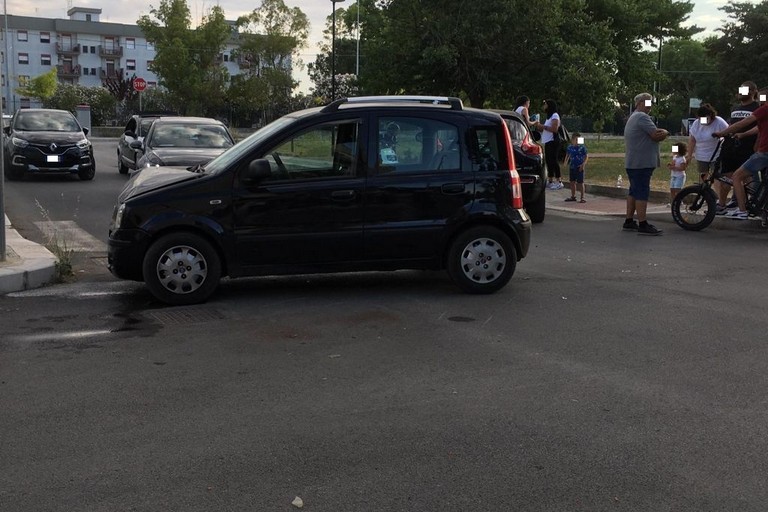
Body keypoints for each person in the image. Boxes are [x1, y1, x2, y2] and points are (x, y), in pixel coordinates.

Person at [622, 92, 669, 235]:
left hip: (633, 162)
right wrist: (666, 132)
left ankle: (629, 220)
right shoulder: (642, 117)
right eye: (647, 102)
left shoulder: (633, 117)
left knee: (634, 191)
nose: (650, 106)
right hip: (641, 163)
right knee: (642, 192)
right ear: (639, 103)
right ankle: (643, 223)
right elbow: (656, 135)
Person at [712, 101, 768, 219]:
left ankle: (742, 211)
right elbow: (758, 128)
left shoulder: (764, 109)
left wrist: (722, 133)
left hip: (764, 152)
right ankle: (759, 206)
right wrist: (743, 135)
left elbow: (743, 123)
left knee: (737, 176)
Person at [714, 81, 760, 213]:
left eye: (744, 90)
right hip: (731, 146)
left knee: (748, 177)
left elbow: (760, 127)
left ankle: (751, 204)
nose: (740, 93)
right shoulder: (734, 108)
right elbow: (732, 125)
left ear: (752, 91)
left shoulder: (757, 107)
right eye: (739, 90)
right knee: (727, 176)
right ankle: (722, 204)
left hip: (748, 147)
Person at [684, 103, 728, 185]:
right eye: (700, 119)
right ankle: (703, 193)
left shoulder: (719, 122)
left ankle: (717, 196)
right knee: (703, 176)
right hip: (701, 155)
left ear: (711, 115)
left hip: (716, 155)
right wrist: (689, 155)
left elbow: (728, 133)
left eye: (705, 118)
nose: (702, 121)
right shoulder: (696, 123)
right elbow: (692, 139)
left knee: (717, 178)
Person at [533, 99, 562, 189]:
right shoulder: (548, 117)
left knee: (553, 160)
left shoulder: (555, 115)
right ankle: (550, 180)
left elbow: (554, 129)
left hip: (553, 141)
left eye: (545, 104)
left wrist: (543, 126)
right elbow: (545, 129)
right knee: (549, 161)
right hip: (547, 141)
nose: (544, 106)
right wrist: (538, 126)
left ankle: (559, 181)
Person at [563, 132, 588, 202]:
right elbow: (567, 154)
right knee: (572, 182)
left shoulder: (582, 147)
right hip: (572, 166)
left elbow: (586, 156)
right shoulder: (570, 147)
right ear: (572, 140)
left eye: (579, 140)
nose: (577, 141)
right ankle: (573, 196)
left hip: (579, 166)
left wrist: (583, 164)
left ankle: (582, 197)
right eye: (576, 140)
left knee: (580, 182)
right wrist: (565, 161)